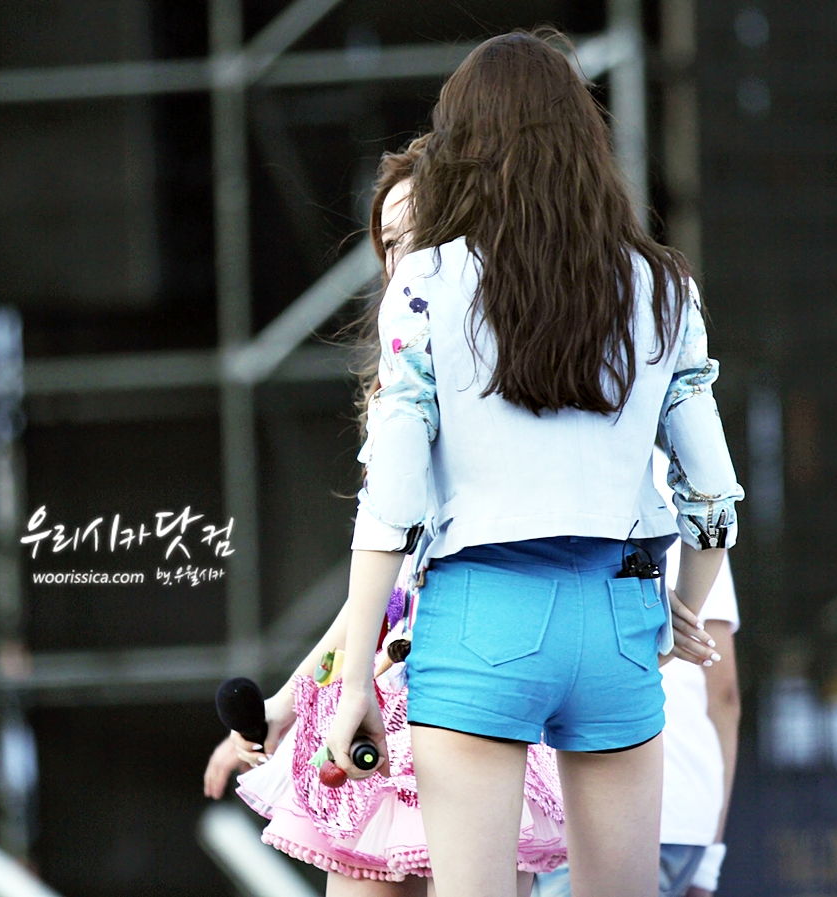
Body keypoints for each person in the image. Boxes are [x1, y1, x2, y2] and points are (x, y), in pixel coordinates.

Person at [325, 29, 743, 897]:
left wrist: (354, 673)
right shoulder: (664, 287)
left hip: (479, 615)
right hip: (619, 614)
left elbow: (390, 502)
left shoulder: (424, 284)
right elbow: (711, 493)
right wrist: (681, 607)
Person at [201, 136, 587, 896]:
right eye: (390, 244)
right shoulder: (399, 381)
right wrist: (288, 703)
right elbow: (381, 598)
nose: (402, 259)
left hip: (481, 684)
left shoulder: (510, 377)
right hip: (393, 695)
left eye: (421, 237)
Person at [532, 449, 742, 897]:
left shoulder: (529, 462)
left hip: (562, 809)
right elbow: (723, 691)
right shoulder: (685, 476)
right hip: (684, 815)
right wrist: (709, 860)